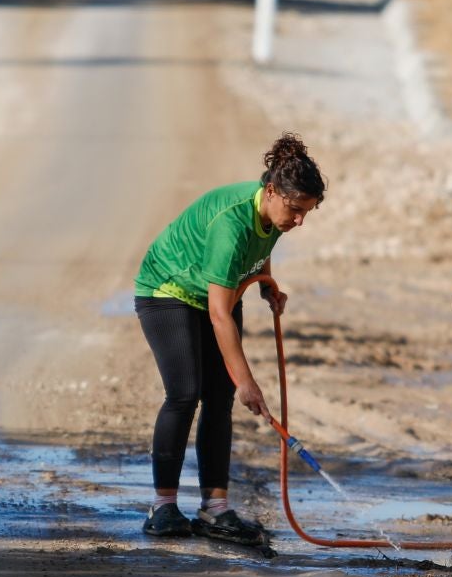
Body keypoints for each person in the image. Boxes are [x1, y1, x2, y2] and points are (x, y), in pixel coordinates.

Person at [133, 134, 326, 546]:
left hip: (221, 290)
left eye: (307, 213)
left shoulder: (273, 213)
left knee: (218, 399)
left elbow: (262, 240)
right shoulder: (231, 222)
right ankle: (162, 506)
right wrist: (247, 382)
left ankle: (214, 509)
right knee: (185, 393)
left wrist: (263, 284)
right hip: (168, 290)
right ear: (271, 191)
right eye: (295, 210)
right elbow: (220, 315)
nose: (299, 221)